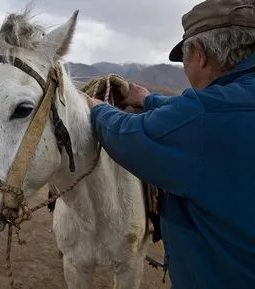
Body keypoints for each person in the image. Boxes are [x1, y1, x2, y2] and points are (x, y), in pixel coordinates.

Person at [86, 0, 255, 288]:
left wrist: (97, 110)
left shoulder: (202, 115)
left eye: (185, 59)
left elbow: (132, 134)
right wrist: (150, 100)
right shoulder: (226, 105)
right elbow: (208, 114)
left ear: (200, 55)